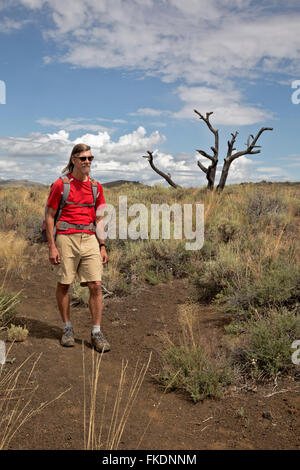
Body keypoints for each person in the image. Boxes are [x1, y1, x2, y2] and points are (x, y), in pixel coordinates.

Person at [45, 143, 110, 353]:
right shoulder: (60, 185)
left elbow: (99, 218)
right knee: (65, 284)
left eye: (90, 158)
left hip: (90, 237)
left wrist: (102, 245)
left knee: (96, 286)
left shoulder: (96, 187)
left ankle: (96, 332)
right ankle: (67, 329)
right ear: (73, 160)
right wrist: (52, 246)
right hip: (66, 237)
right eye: (83, 158)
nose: (88, 162)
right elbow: (49, 216)